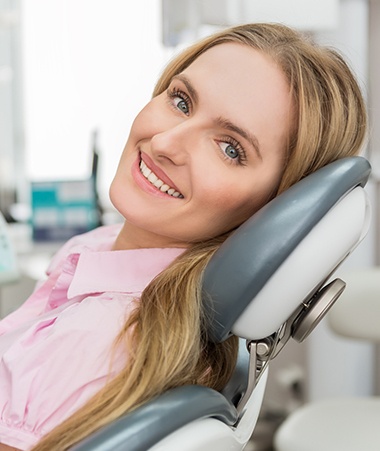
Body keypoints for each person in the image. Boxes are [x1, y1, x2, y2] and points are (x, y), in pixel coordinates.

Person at [0, 22, 367, 451]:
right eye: (181, 100)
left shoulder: (98, 343)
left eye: (230, 148)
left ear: (271, 211)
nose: (165, 143)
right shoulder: (102, 251)